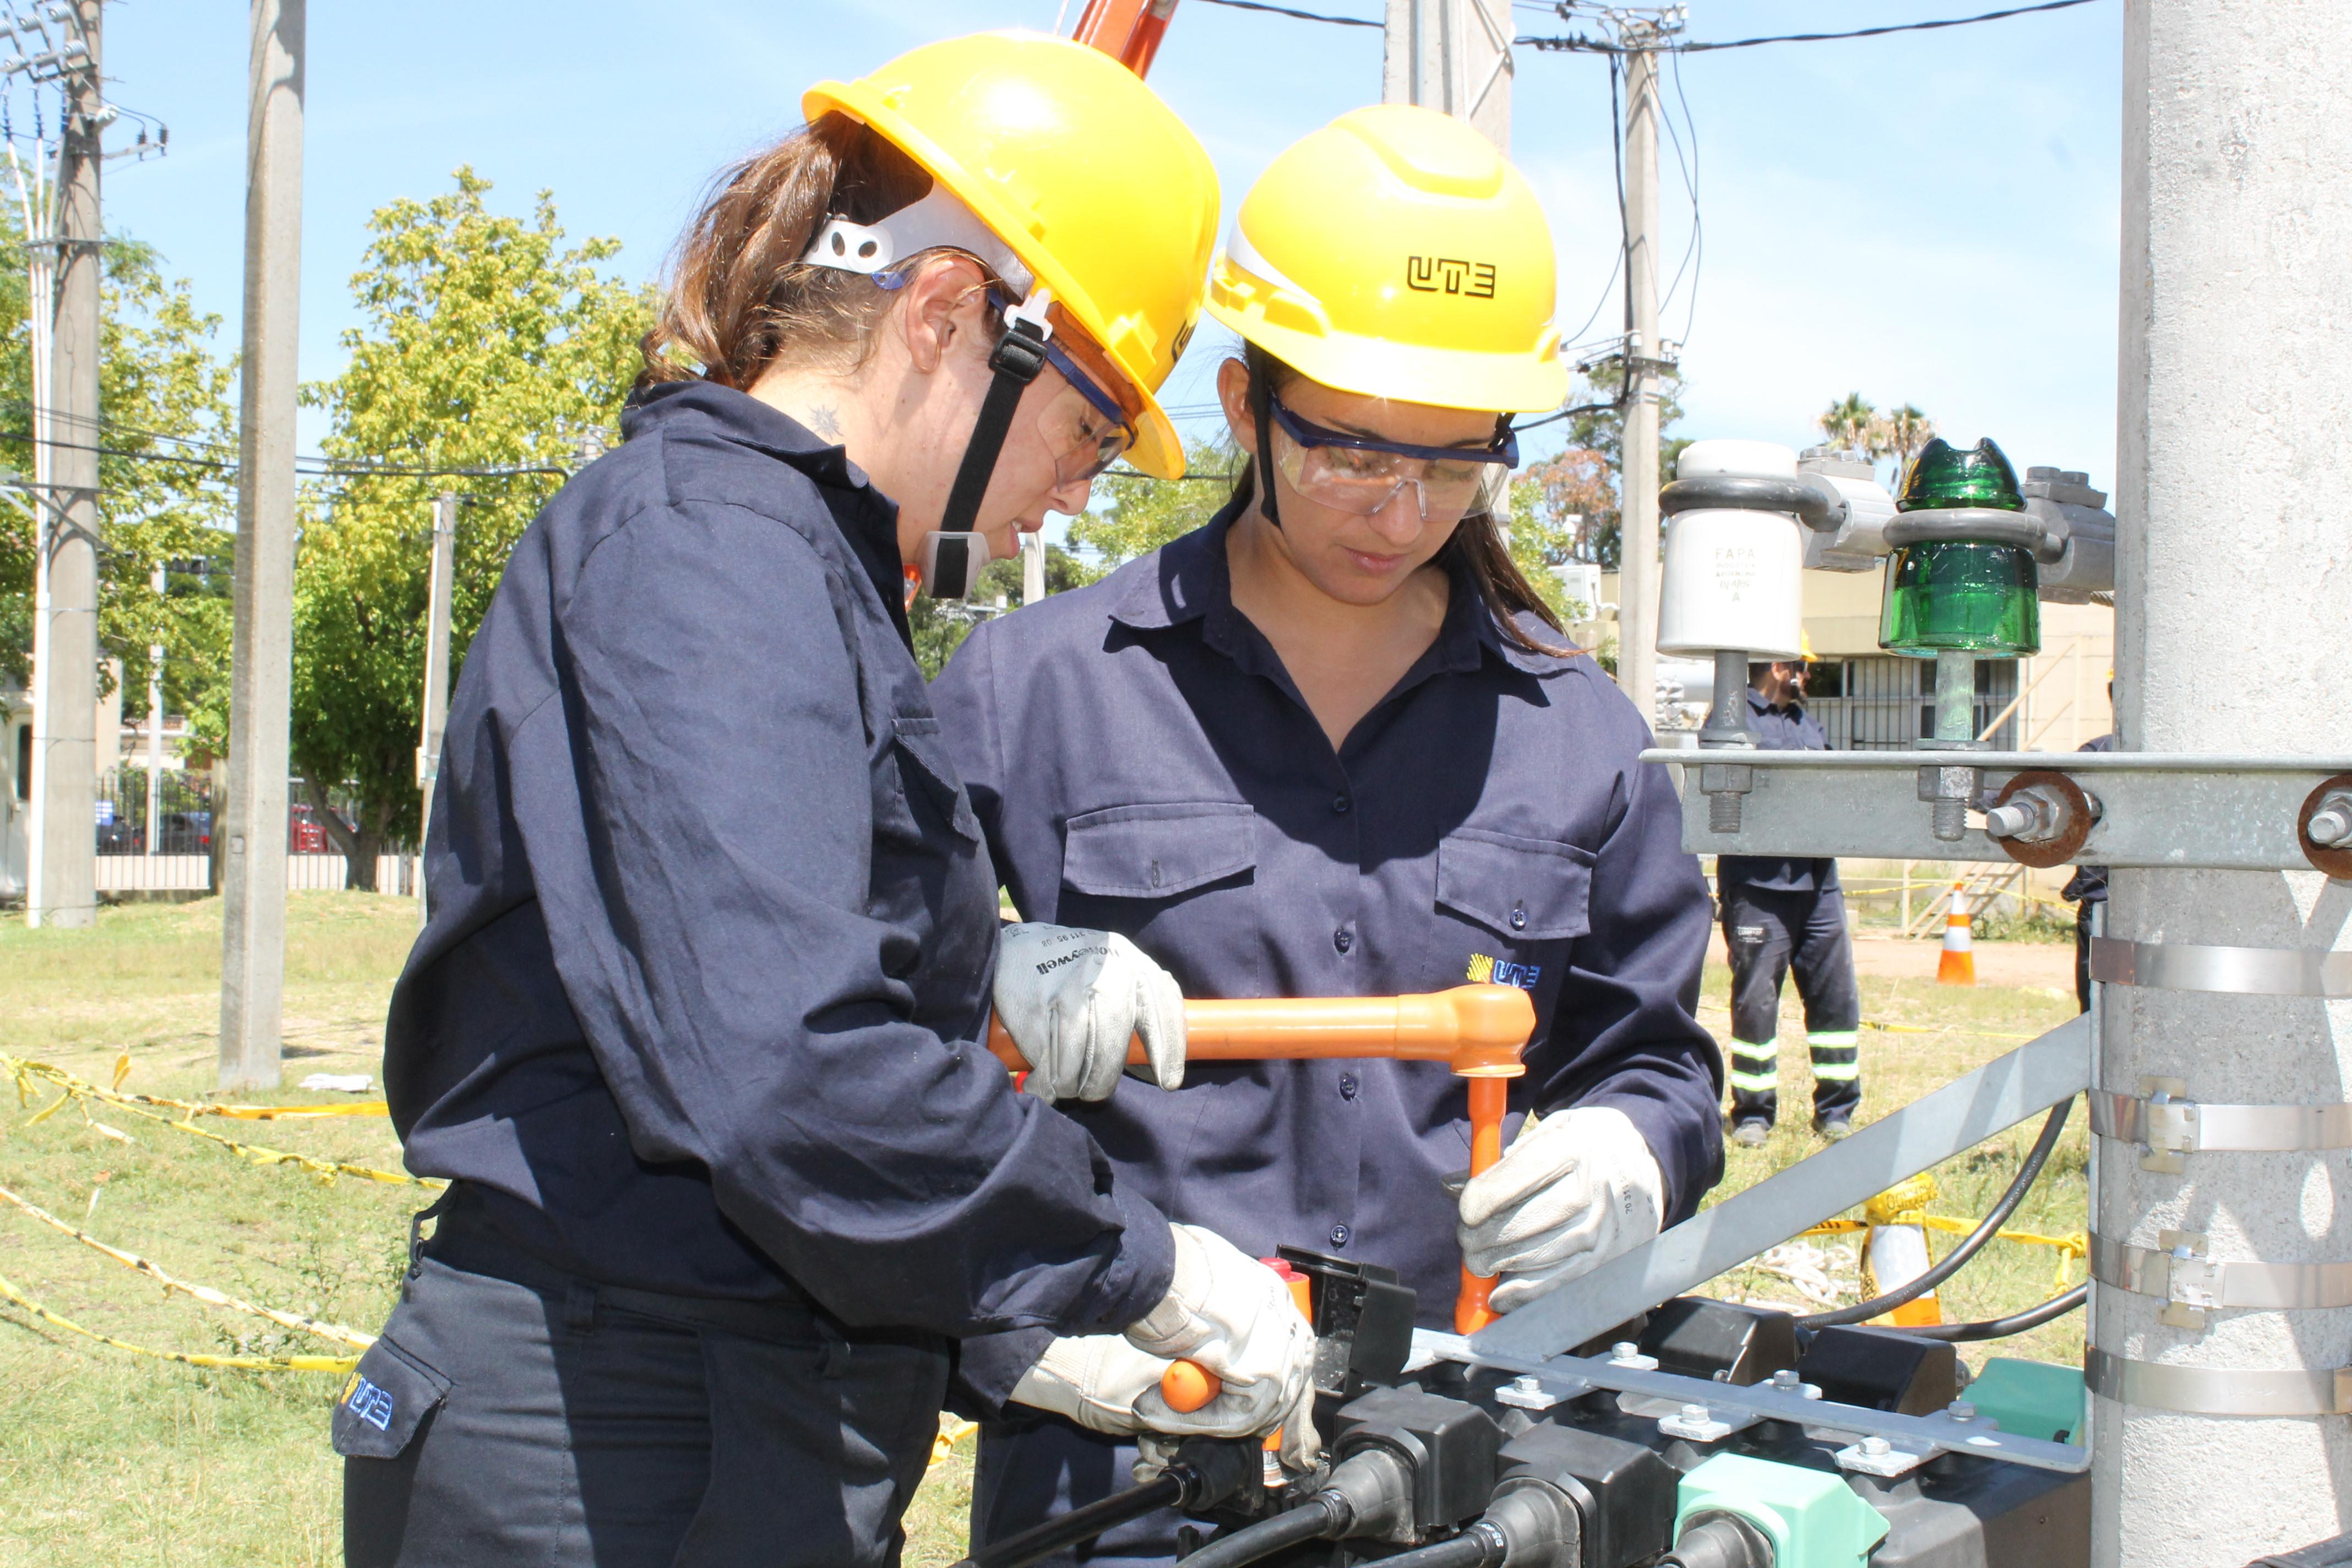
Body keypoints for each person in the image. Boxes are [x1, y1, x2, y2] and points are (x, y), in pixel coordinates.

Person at [342, 36, 1320, 1568]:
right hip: (611, 1429)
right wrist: (1132, 1268)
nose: (1082, 489)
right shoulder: (705, 557)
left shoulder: (792, 562)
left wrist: (999, 1309)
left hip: (722, 1394)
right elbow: (784, 1073)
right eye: (1089, 428)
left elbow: (733, 964)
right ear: (945, 318)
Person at [932, 105, 1722, 1566]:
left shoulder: (1574, 734)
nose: (1403, 508)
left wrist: (1631, 1151)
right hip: (1119, 1459)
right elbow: (860, 1039)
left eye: (1454, 459)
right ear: (1246, 406)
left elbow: (1659, 1061)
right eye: (1354, 450)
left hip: (1457, 1477)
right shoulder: (1030, 695)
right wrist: (1003, 1320)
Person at [1716, 641, 1863, 1147]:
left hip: (1819, 882)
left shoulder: (1805, 723)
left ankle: (1837, 1109)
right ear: (1780, 667)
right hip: (1759, 887)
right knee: (1756, 1001)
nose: (1807, 677)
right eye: (1802, 668)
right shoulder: (1732, 716)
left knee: (1836, 999)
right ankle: (1753, 1113)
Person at [2063, 706, 2116, 1011]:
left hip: (2102, 908)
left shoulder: (2101, 751)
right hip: (2101, 912)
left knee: (2097, 1021)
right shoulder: (2100, 752)